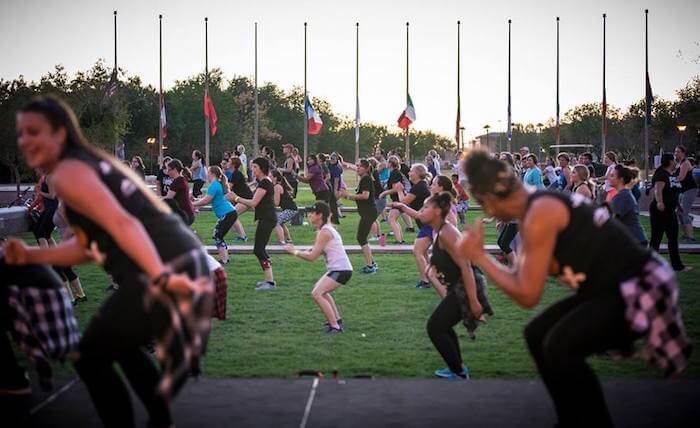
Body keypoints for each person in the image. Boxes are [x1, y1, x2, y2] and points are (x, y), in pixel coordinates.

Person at [5, 96, 213, 428]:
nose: (24, 140)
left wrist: (160, 277)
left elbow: (123, 224)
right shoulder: (88, 165)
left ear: (60, 134)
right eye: (21, 133)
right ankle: (160, 420)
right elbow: (87, 248)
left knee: (90, 357)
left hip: (163, 267)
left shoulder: (68, 171)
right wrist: (31, 254)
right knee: (122, 345)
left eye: (34, 131)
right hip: (180, 260)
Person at [459, 150, 691, 427]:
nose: (489, 213)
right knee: (537, 334)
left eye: (486, 205)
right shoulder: (534, 207)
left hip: (638, 285)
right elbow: (521, 279)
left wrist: (480, 257)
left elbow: (527, 295)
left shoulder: (540, 212)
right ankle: (571, 419)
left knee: (560, 347)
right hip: (609, 287)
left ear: (498, 191)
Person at [422, 192, 486, 380]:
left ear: (437, 211)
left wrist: (474, 303)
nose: (421, 211)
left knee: (435, 327)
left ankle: (458, 372)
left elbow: (466, 266)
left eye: (425, 207)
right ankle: (458, 368)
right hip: (459, 287)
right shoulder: (440, 230)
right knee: (442, 326)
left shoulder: (447, 232)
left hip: (467, 286)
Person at [284, 201, 351, 334]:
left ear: (319, 215)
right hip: (338, 269)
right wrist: (297, 250)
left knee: (317, 293)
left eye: (312, 213)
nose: (310, 216)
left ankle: (335, 327)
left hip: (341, 270)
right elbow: (316, 250)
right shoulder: (323, 230)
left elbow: (312, 257)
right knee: (321, 291)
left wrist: (294, 252)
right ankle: (336, 320)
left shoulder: (325, 231)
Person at [228, 157, 278, 290]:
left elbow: (253, 203)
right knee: (259, 249)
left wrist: (236, 198)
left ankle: (270, 282)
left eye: (255, 167)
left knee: (259, 249)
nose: (252, 169)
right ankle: (269, 280)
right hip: (265, 218)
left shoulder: (265, 183)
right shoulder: (261, 182)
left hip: (268, 219)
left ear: (262, 168)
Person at [392, 164, 433, 288]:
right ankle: (433, 277)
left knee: (418, 251)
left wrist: (399, 190)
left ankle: (425, 281)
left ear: (418, 173)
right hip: (427, 224)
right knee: (423, 252)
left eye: (411, 171)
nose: (409, 173)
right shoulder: (419, 186)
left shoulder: (419, 186)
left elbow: (403, 203)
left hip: (428, 224)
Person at [649, 153, 689, 272]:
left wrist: (678, 205)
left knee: (673, 238)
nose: (675, 161)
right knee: (656, 238)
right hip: (659, 211)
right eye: (674, 159)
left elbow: (673, 192)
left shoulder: (672, 175)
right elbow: (658, 190)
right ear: (670, 162)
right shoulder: (661, 175)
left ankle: (677, 266)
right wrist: (660, 202)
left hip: (670, 211)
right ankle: (650, 265)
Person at [339, 158, 379, 274]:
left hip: (369, 212)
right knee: (361, 238)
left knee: (361, 238)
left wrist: (348, 196)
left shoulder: (366, 178)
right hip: (367, 212)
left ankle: (370, 266)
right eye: (357, 166)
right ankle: (371, 263)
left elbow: (365, 196)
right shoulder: (364, 178)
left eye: (360, 166)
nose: (357, 168)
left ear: (366, 168)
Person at [193, 166, 237, 265]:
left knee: (217, 235)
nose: (206, 174)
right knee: (218, 235)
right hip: (229, 213)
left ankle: (224, 260)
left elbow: (206, 200)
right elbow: (206, 198)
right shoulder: (216, 184)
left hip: (227, 213)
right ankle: (225, 259)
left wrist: (193, 204)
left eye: (208, 172)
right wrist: (195, 201)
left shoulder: (214, 185)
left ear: (212, 174)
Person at [609, 164, 647, 246]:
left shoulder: (622, 196)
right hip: (633, 240)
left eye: (612, 176)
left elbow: (612, 220)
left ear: (621, 179)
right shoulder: (624, 194)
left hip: (635, 241)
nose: (609, 178)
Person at [379, 156, 410, 244]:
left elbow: (396, 189)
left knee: (391, 219)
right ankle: (400, 239)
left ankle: (399, 240)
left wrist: (384, 193)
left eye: (387, 162)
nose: (386, 164)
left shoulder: (395, 174)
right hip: (397, 199)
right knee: (393, 219)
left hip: (398, 199)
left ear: (390, 164)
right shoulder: (394, 173)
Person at [674, 145, 698, 242]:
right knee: (679, 212)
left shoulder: (685, 163)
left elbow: (681, 178)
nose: (676, 153)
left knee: (683, 213)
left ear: (683, 153)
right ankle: (686, 233)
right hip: (684, 190)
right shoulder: (679, 163)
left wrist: (671, 180)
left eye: (678, 151)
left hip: (690, 190)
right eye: (675, 151)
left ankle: (690, 237)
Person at [163, 159, 195, 226]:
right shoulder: (181, 179)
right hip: (187, 214)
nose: (167, 172)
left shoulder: (177, 182)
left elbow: (167, 199)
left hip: (184, 215)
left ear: (175, 169)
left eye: (169, 170)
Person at [271, 170, 297, 245]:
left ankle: (282, 241)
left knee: (276, 222)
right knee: (281, 222)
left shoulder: (277, 187)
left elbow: (276, 203)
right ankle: (288, 240)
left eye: (270, 176)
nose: (269, 178)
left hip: (290, 209)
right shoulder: (278, 185)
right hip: (291, 208)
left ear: (275, 178)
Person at [228, 157, 251, 241]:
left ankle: (243, 236)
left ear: (233, 165)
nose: (227, 162)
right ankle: (238, 232)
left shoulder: (236, 174)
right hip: (242, 198)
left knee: (232, 215)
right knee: (231, 215)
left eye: (229, 161)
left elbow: (228, 188)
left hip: (245, 198)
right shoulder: (234, 173)